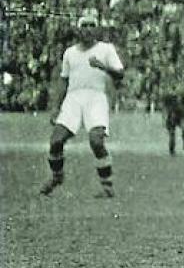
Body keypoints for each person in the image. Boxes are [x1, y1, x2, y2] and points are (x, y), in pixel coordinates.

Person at [40, 11, 125, 199]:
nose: (87, 30)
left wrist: (102, 66)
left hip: (96, 98)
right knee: (55, 141)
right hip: (73, 98)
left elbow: (120, 73)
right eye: (84, 26)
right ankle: (57, 177)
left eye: (91, 25)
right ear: (78, 29)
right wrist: (56, 106)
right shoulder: (70, 53)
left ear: (97, 29)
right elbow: (64, 80)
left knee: (96, 140)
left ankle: (107, 185)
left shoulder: (106, 50)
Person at [161, 76, 184, 156]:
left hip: (181, 114)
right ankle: (172, 150)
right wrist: (164, 118)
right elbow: (164, 107)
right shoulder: (167, 94)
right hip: (172, 114)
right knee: (172, 133)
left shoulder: (182, 93)